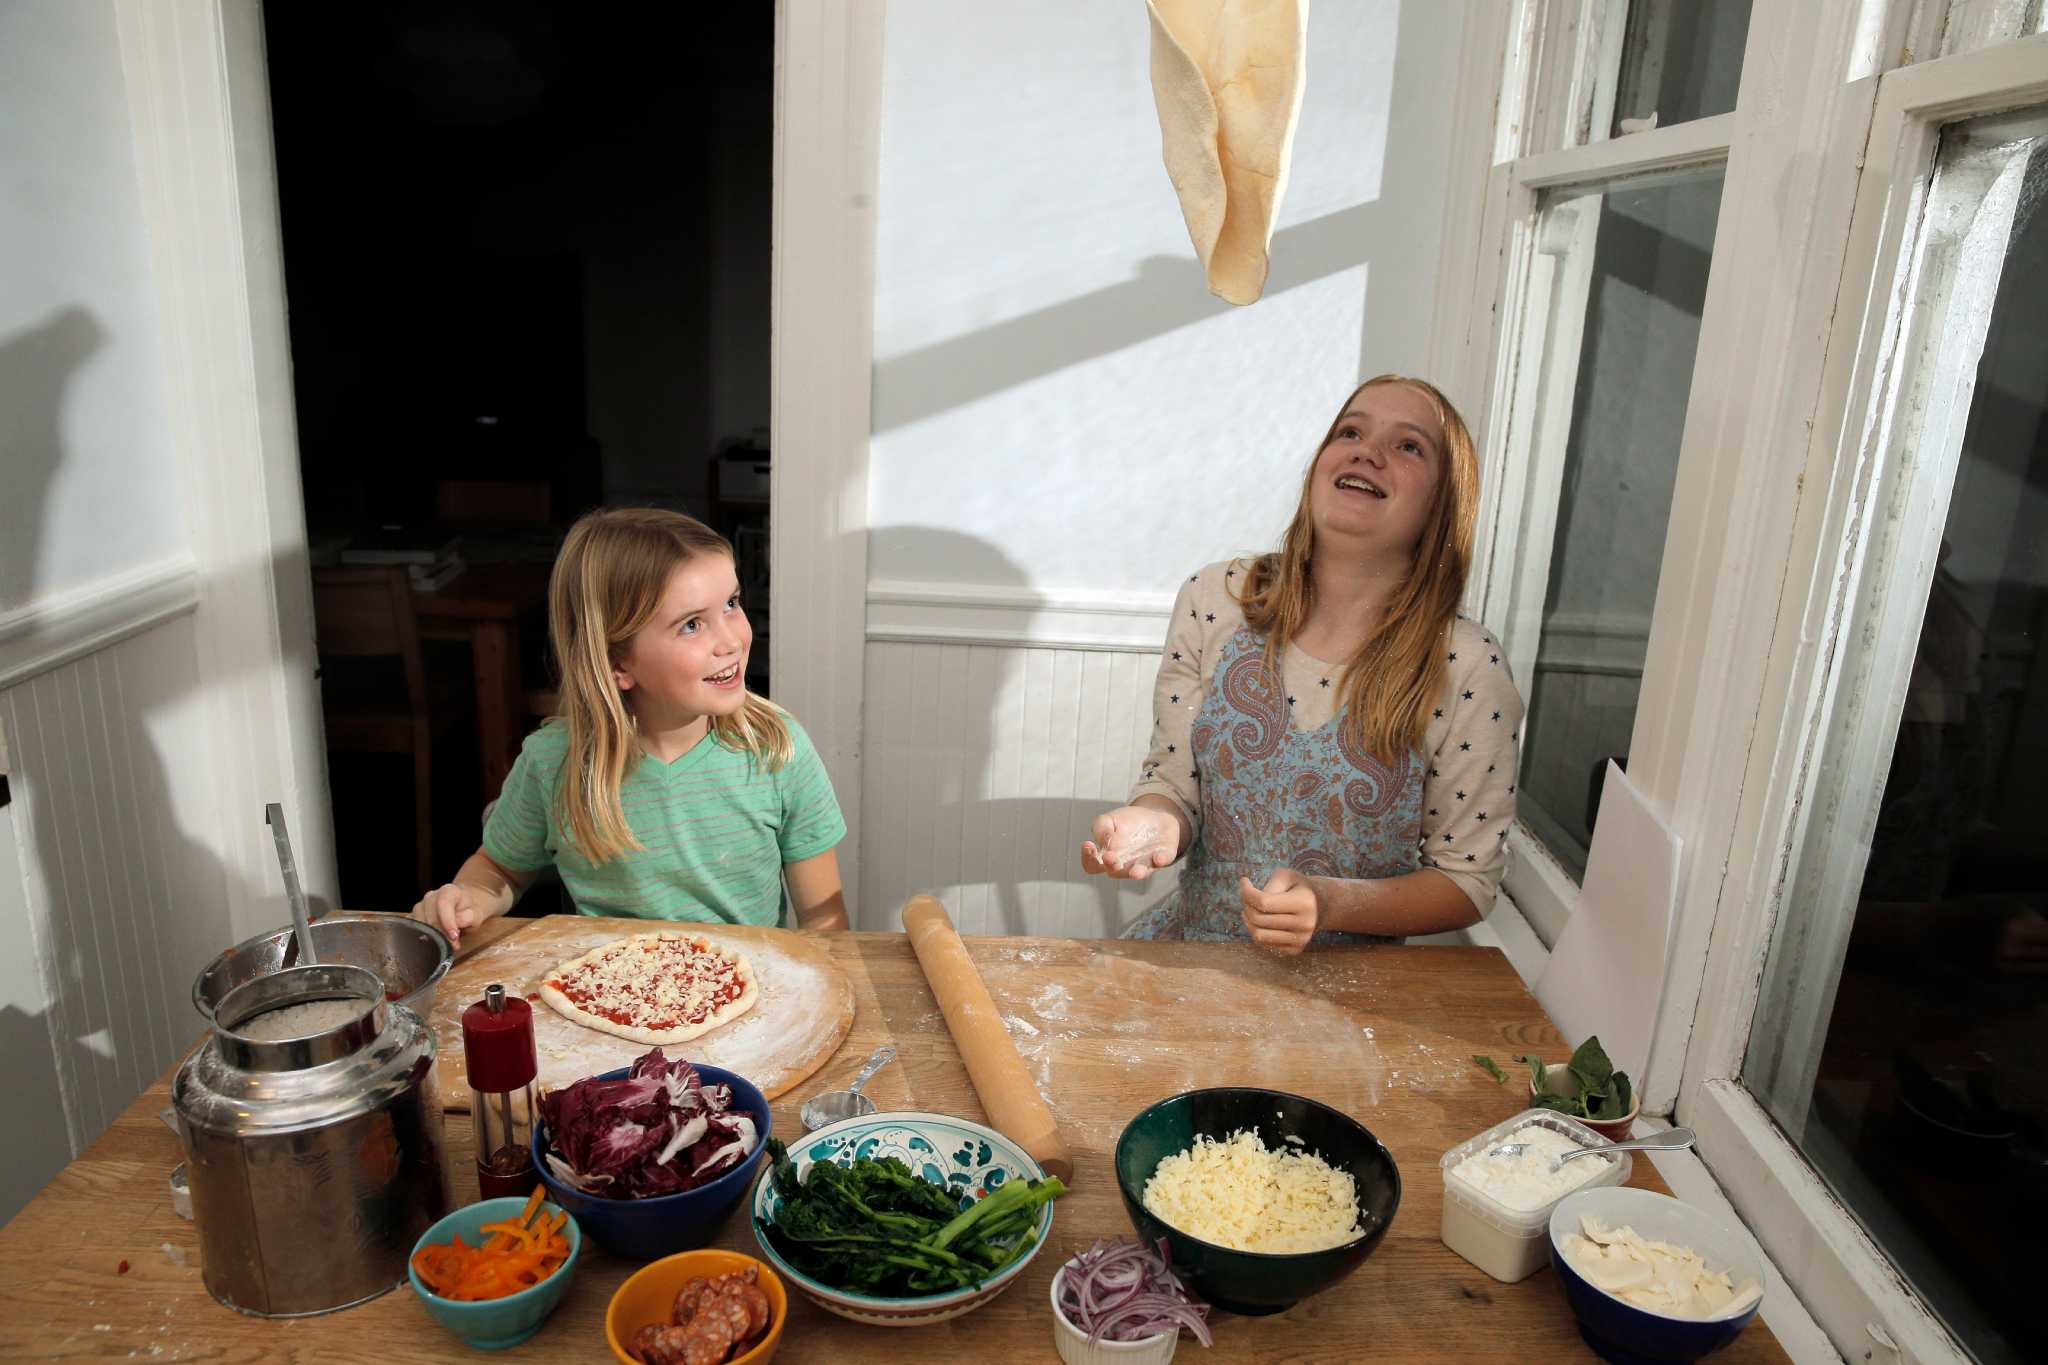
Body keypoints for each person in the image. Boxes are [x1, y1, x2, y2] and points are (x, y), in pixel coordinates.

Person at [1079, 375, 1523, 951]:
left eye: (1408, 445)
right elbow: (1175, 785)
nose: (1368, 450)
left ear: (1443, 504)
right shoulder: (1216, 601)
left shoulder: (1466, 667)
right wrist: (1153, 824)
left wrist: (1334, 902)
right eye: (1351, 431)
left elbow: (1466, 881)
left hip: (1354, 1000)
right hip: (1188, 959)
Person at [412, 508, 848, 943]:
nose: (732, 640)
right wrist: (469, 897)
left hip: (749, 991)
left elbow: (824, 923)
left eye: (731, 604)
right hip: (609, 995)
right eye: (692, 625)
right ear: (618, 663)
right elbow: (500, 868)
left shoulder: (777, 748)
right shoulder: (554, 762)